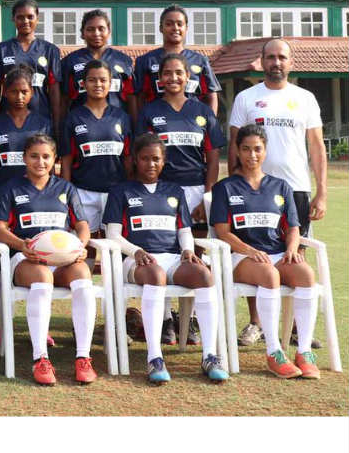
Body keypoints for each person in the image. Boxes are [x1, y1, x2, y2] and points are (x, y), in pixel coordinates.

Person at [104, 133, 228, 384]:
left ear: (163, 161)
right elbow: (113, 235)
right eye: (145, 158)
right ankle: (155, 358)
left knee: (204, 276)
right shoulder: (120, 191)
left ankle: (209, 355)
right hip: (137, 261)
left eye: (156, 159)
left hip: (171, 258)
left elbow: (184, 231)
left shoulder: (174, 191)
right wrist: (136, 251)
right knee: (156, 274)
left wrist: (188, 250)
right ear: (135, 160)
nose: (151, 164)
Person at [227, 38, 327, 348]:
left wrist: (321, 191)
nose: (276, 62)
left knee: (295, 254)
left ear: (290, 62)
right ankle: (256, 323)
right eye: (270, 57)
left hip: (295, 189)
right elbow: (234, 144)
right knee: (254, 252)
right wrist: (235, 185)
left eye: (281, 57)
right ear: (261, 61)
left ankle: (295, 326)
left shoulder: (305, 98)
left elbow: (316, 147)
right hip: (253, 189)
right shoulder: (246, 98)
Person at [211, 124, 319, 379]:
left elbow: (293, 228)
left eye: (257, 149)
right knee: (269, 275)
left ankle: (304, 351)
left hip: (276, 254)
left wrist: (291, 249)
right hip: (241, 257)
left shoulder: (281, 186)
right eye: (246, 149)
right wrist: (249, 250)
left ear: (265, 151)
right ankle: (274, 352)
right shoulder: (225, 188)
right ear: (237, 151)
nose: (252, 155)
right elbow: (223, 232)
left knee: (306, 274)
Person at [0, 134, 97, 385]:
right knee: (42, 276)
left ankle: (83, 357)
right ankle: (41, 358)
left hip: (62, 259)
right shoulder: (10, 188)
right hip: (26, 259)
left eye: (46, 156)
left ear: (55, 159)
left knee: (83, 275)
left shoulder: (66, 188)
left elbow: (82, 225)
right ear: (24, 158)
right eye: (34, 156)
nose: (40, 162)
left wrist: (80, 246)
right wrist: (21, 245)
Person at [136, 53, 225, 226]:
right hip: (160, 188)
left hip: (195, 188)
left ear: (188, 76)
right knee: (163, 238)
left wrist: (207, 197)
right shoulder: (149, 112)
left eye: (179, 72)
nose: (173, 78)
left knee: (197, 239)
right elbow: (141, 159)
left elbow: (213, 160)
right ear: (160, 78)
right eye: (167, 73)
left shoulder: (204, 111)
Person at [59, 59, 133, 238]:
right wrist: (68, 194)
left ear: (110, 83)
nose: (98, 84)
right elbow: (66, 161)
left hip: (115, 191)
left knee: (115, 243)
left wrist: (130, 188)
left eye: (103, 80)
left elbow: (128, 158)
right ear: (83, 84)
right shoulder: (73, 118)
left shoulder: (122, 117)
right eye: (92, 80)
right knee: (85, 242)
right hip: (83, 191)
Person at [133, 5, 221, 116]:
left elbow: (211, 95)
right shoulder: (145, 61)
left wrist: (211, 122)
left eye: (180, 24)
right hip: (158, 121)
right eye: (169, 24)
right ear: (161, 28)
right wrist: (142, 123)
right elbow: (139, 97)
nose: (175, 28)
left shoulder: (200, 60)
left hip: (192, 121)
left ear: (186, 28)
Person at [0, 0, 62, 129]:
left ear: (37, 18)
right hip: (8, 120)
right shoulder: (0, 50)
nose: (25, 21)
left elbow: (54, 90)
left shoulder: (50, 50)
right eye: (20, 17)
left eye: (30, 17)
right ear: (13, 19)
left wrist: (57, 123)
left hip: (41, 119)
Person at [0, 65, 53, 197]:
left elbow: (49, 165)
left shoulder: (43, 124)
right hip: (3, 193)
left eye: (24, 91)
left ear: (32, 92)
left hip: (36, 195)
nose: (19, 96)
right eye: (14, 91)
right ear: (5, 92)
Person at [60, 9, 136, 120]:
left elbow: (131, 98)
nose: (96, 33)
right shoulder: (70, 61)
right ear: (82, 33)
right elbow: (64, 100)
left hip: (117, 122)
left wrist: (135, 125)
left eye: (101, 29)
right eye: (90, 29)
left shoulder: (123, 61)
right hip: (82, 122)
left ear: (109, 32)